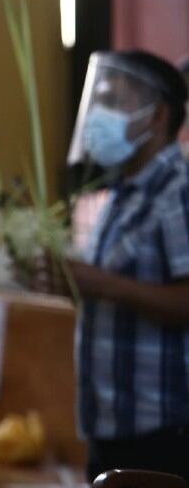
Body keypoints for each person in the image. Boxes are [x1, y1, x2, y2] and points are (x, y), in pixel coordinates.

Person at [65, 50, 189, 482]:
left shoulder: (177, 191)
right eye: (100, 101)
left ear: (157, 117)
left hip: (161, 428)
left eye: (116, 102)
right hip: (111, 423)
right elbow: (107, 285)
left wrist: (103, 284)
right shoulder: (121, 191)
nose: (102, 114)